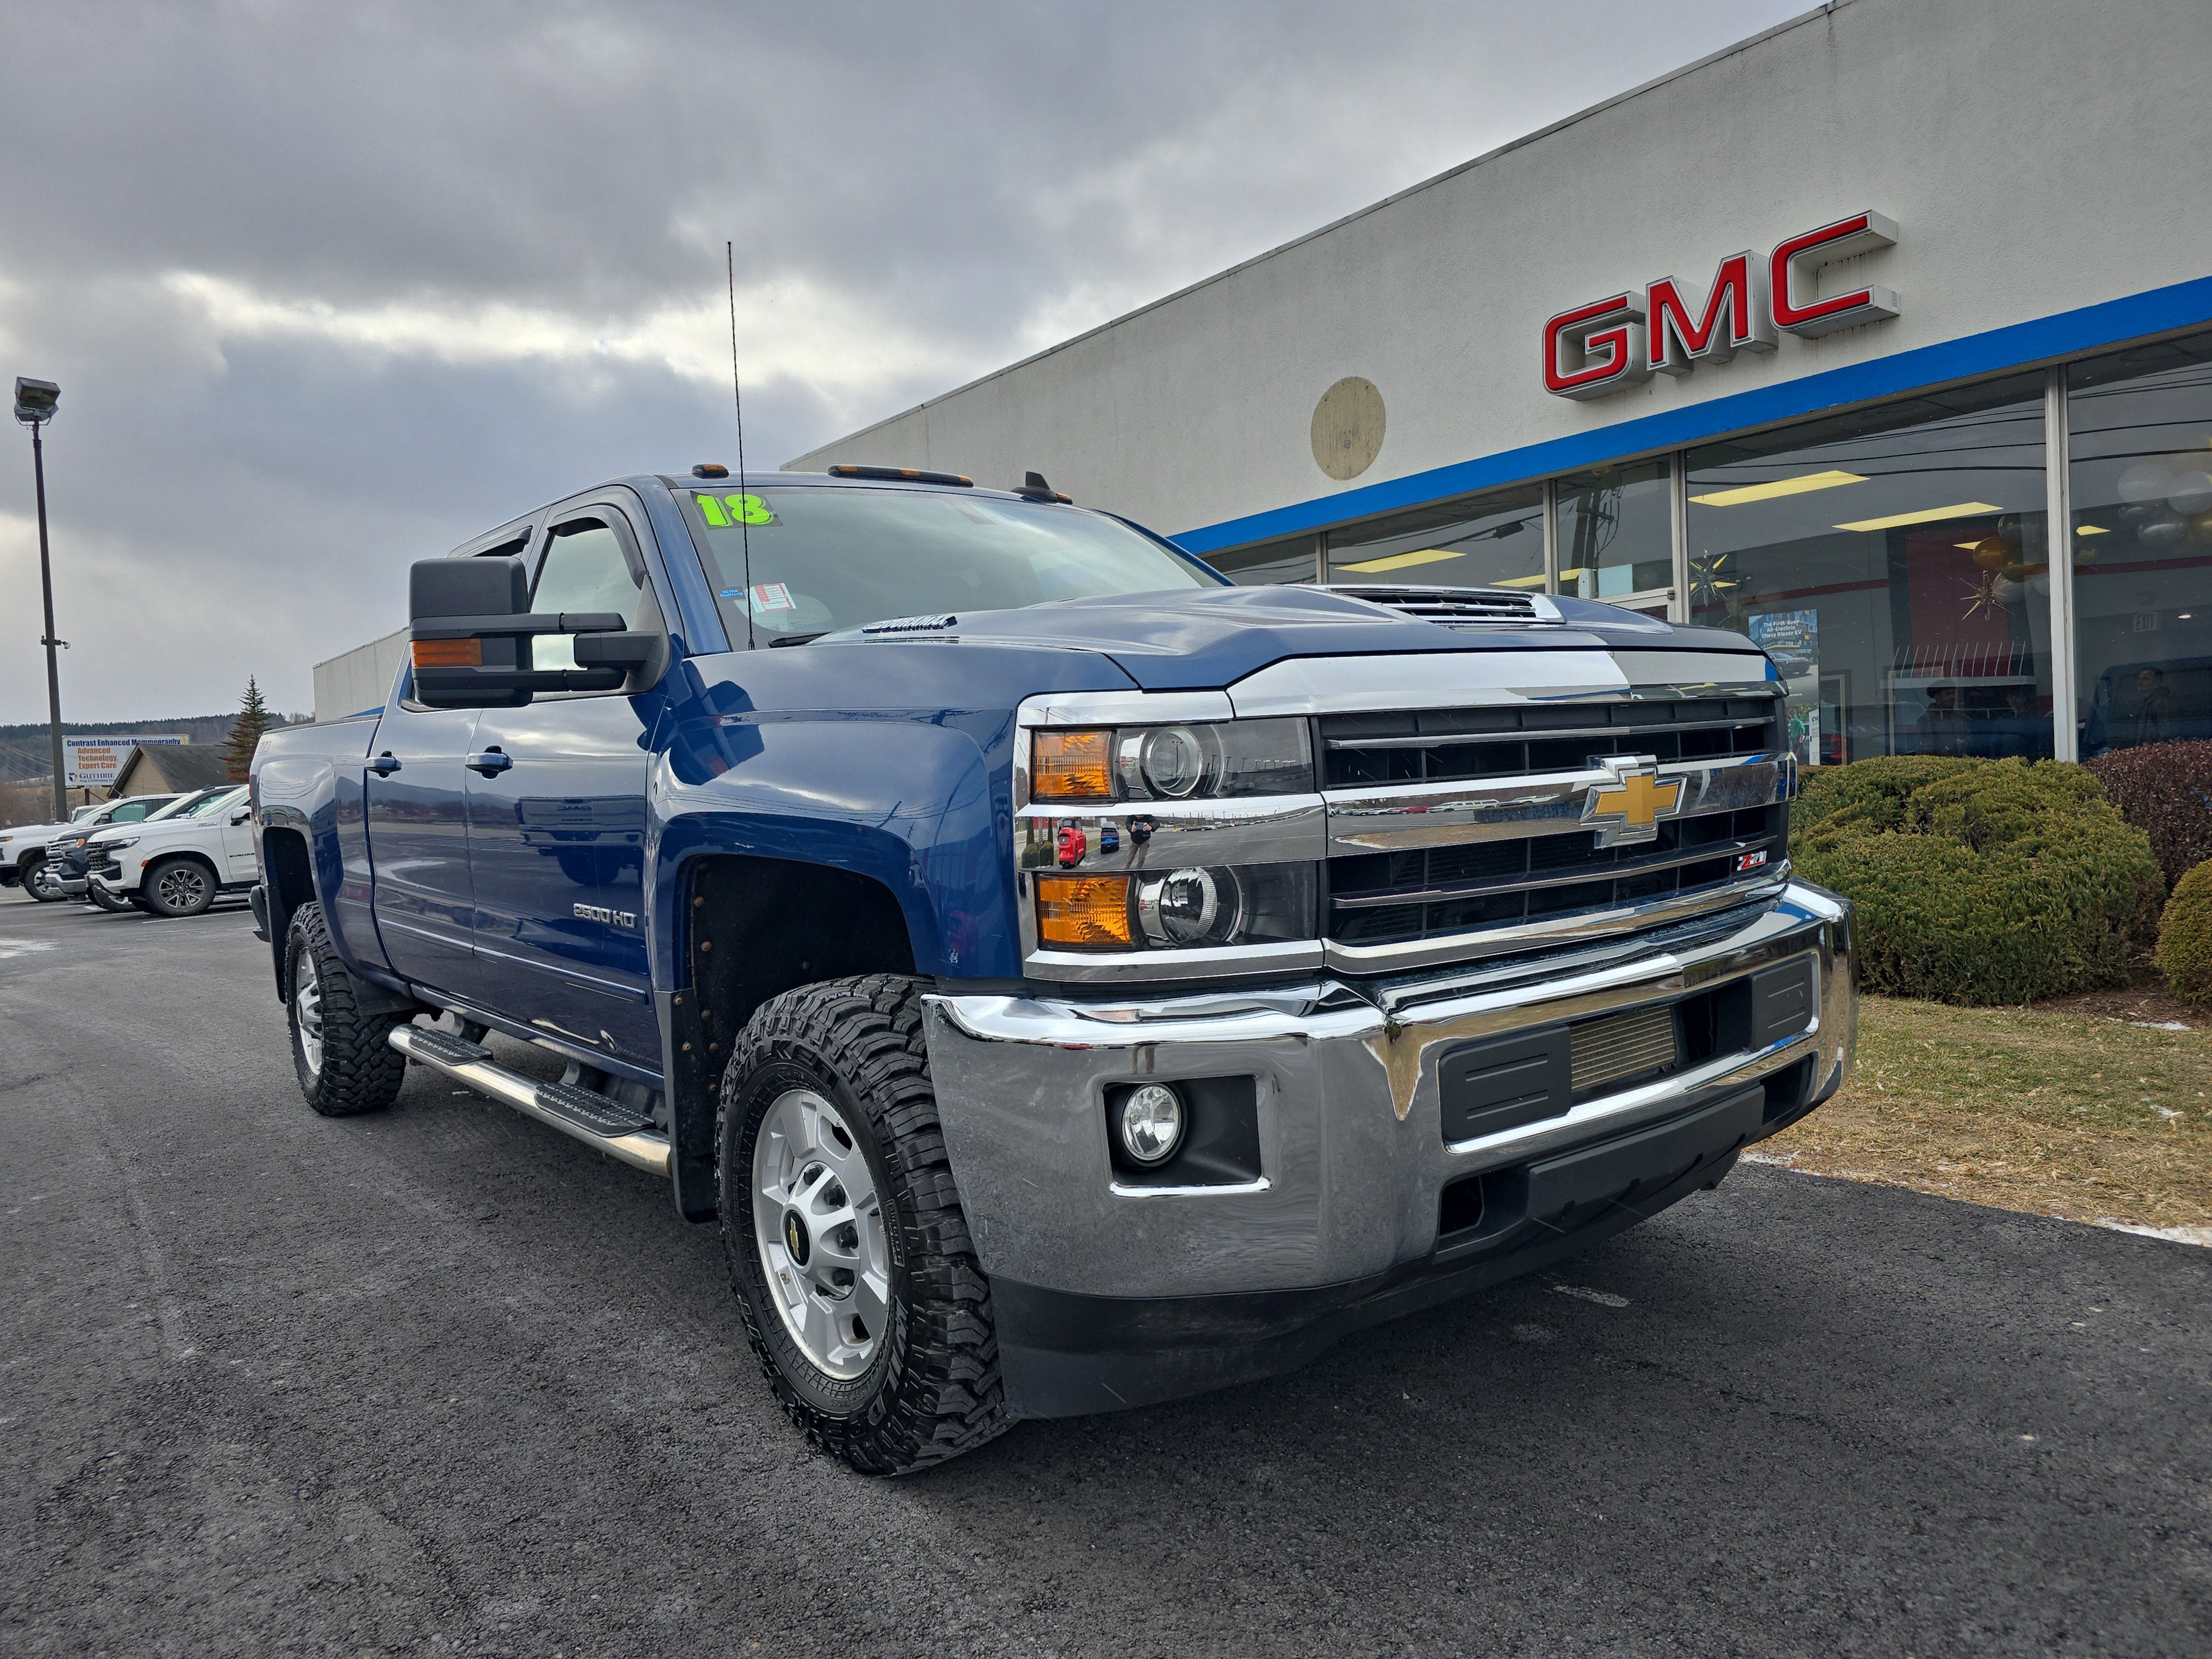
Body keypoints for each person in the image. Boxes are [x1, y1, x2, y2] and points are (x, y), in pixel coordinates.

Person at [1914, 684, 1972, 755]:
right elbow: (1925, 750)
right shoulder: (1927, 719)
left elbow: (1969, 737)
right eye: (1948, 694)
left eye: (1953, 693)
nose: (1952, 697)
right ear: (1937, 696)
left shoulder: (1959, 716)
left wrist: (1966, 742)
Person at [2129, 666, 2178, 745]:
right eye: (2140, 678)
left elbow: (2166, 734)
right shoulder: (2145, 703)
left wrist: (2155, 753)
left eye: (2146, 679)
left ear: (2157, 683)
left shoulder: (2162, 703)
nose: (2140, 682)